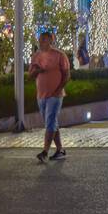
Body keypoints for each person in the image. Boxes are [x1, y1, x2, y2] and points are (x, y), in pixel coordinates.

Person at [29, 31, 71, 163]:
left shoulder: (59, 55)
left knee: (50, 121)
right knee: (51, 123)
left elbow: (67, 75)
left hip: (55, 95)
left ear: (51, 41)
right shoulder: (36, 56)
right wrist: (37, 71)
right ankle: (60, 149)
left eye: (44, 40)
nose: (41, 42)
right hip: (41, 95)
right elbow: (30, 75)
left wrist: (58, 89)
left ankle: (45, 151)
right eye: (40, 40)